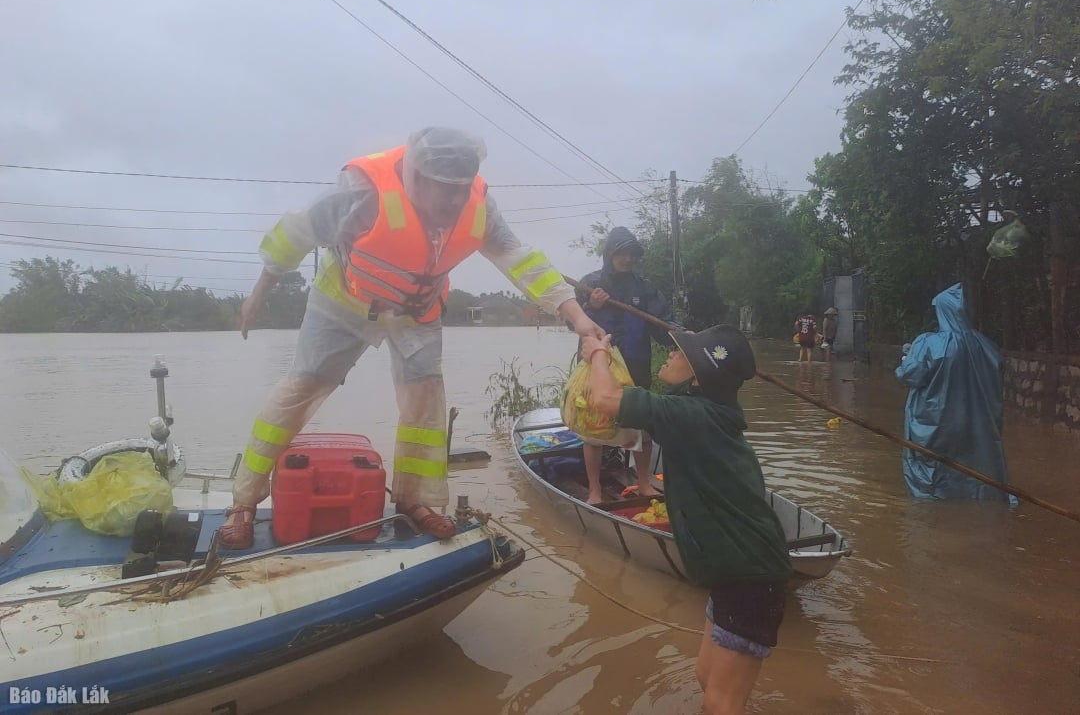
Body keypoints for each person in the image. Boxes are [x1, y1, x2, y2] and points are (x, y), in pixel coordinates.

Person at [220, 127, 605, 549]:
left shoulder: (478, 207)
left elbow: (522, 260)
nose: (456, 201)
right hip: (344, 301)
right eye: (446, 190)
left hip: (416, 311)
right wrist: (257, 295)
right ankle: (243, 503)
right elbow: (293, 234)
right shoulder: (361, 194)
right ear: (415, 177)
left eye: (462, 189)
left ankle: (415, 501)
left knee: (425, 402)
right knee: (301, 388)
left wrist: (578, 317)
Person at [581, 326, 790, 715]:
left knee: (721, 701)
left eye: (681, 355)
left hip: (749, 576)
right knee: (705, 678)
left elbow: (606, 400)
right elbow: (656, 394)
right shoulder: (703, 406)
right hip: (733, 573)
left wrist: (597, 354)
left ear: (697, 378)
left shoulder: (692, 414)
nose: (670, 356)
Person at [576, 227, 672, 504]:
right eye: (621, 253)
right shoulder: (590, 283)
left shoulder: (644, 287)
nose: (627, 259)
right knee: (593, 427)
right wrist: (591, 306)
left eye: (632, 254)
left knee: (642, 424)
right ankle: (594, 490)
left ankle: (643, 482)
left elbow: (662, 324)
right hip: (598, 366)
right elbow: (573, 323)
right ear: (610, 254)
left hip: (636, 364)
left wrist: (682, 338)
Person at [894, 283, 1014, 501]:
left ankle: (935, 511)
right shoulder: (985, 345)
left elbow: (909, 375)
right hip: (975, 423)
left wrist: (906, 358)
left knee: (932, 466)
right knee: (972, 464)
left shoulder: (928, 343)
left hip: (936, 423)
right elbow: (997, 373)